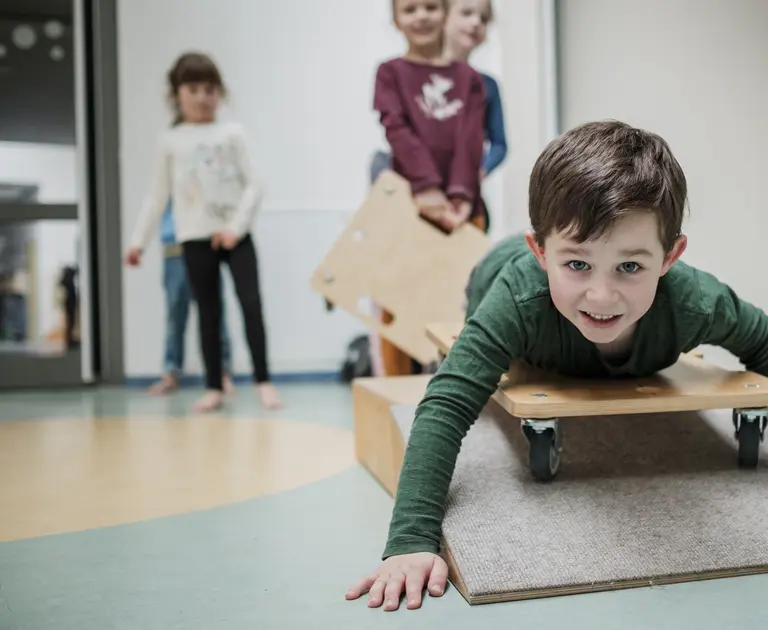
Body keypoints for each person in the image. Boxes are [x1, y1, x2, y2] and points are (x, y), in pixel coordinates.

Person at [345, 119, 768, 611]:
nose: (602, 295)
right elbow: (446, 404)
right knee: (471, 337)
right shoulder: (518, 298)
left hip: (552, 275)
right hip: (496, 273)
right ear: (542, 252)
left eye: (630, 267)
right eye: (578, 264)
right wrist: (411, 540)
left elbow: (763, 343)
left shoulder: (697, 302)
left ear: (670, 257)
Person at [124, 51, 282, 413]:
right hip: (194, 237)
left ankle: (263, 380)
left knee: (251, 305)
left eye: (210, 89)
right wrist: (138, 242)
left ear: (220, 93)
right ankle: (213, 386)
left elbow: (255, 184)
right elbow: (157, 195)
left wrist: (234, 228)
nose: (202, 97)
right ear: (177, 93)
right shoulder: (170, 141)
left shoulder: (233, 134)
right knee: (208, 311)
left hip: (236, 236)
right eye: (193, 89)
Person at [373, 0, 488, 377]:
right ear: (395, 20)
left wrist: (459, 196)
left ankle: (457, 389)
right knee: (397, 308)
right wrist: (427, 190)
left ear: (445, 13)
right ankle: (398, 392)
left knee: (461, 306)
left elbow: (471, 139)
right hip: (410, 207)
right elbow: (398, 130)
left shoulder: (469, 78)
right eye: (409, 9)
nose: (421, 16)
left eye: (431, 6)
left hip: (461, 211)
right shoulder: (389, 73)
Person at [147, 199, 236, 396]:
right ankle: (171, 374)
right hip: (174, 251)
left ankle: (223, 375)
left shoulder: (206, 176)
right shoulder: (169, 180)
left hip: (204, 248)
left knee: (214, 313)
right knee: (174, 316)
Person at [443, 0, 507, 189]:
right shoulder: (417, 77)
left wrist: (478, 172)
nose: (476, 22)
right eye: (466, 13)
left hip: (464, 194)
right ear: (443, 16)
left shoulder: (488, 86)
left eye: (484, 18)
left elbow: (499, 145)